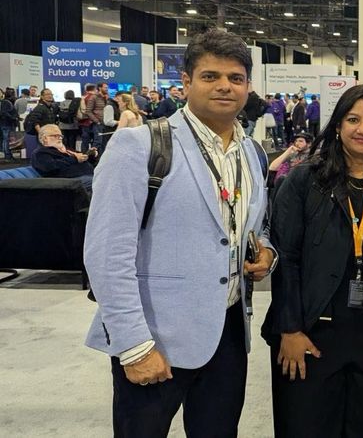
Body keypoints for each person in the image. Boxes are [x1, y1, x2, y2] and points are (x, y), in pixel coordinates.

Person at [83, 28, 277, 437]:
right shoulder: (140, 146)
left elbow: (254, 226)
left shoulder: (252, 153)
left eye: (235, 78)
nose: (224, 86)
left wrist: (266, 252)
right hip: (156, 338)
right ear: (186, 82)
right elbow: (106, 256)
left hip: (227, 335)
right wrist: (133, 346)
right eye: (210, 76)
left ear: (248, 86)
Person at [262, 84, 363, 437]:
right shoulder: (304, 179)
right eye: (353, 119)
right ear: (337, 125)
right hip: (311, 333)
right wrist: (290, 329)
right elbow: (285, 258)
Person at [31, 124, 98, 189]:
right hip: (67, 181)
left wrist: (90, 155)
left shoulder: (66, 149)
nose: (60, 138)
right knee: (100, 182)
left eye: (60, 136)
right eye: (55, 136)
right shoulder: (40, 152)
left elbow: (82, 159)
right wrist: (75, 159)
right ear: (45, 138)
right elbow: (50, 167)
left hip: (86, 175)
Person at [84, 82, 110, 152]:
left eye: (107, 88)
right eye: (105, 87)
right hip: (98, 124)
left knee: (105, 142)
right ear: (100, 88)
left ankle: (102, 157)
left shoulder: (107, 97)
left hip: (107, 123)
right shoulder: (94, 97)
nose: (107, 89)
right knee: (97, 142)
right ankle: (94, 157)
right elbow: (88, 111)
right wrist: (97, 121)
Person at [1, 88, 19, 159]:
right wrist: (13, 118)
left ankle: (8, 155)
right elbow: (4, 112)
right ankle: (8, 155)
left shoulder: (5, 102)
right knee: (7, 139)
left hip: (6, 123)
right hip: (7, 123)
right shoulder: (6, 102)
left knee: (6, 139)